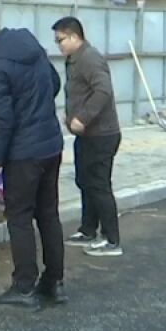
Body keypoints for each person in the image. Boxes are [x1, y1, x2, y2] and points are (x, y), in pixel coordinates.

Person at [0, 6, 65, 311]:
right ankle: (54, 283)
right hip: (51, 144)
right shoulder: (28, 42)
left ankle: (24, 287)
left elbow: (2, 120)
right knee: (48, 215)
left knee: (19, 217)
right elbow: (54, 84)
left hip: (23, 152)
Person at [53, 17, 123, 258]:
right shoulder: (74, 60)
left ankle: (112, 239)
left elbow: (103, 90)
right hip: (87, 135)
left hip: (101, 134)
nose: (58, 45)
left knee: (99, 184)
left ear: (74, 36)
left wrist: (82, 117)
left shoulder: (89, 58)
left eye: (61, 40)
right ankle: (88, 229)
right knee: (84, 180)